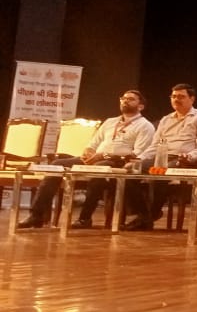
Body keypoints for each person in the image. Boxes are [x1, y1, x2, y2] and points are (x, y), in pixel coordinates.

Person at [17, 90, 155, 229]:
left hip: (117, 162)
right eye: (123, 98)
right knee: (56, 165)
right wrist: (88, 151)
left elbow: (137, 154)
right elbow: (93, 143)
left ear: (141, 106)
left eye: (131, 99)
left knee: (99, 169)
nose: (125, 101)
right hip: (96, 158)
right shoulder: (110, 122)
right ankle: (36, 215)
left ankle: (84, 218)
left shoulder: (145, 126)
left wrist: (104, 155)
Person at [126, 83, 197, 231]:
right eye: (173, 96)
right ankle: (144, 215)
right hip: (162, 157)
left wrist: (190, 156)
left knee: (159, 171)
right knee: (130, 170)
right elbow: (154, 146)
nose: (176, 99)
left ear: (192, 99)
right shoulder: (166, 119)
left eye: (181, 96)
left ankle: (149, 215)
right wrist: (139, 159)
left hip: (185, 160)